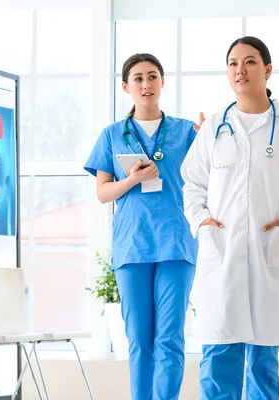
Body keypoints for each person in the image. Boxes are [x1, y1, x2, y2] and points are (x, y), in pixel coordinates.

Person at [180, 36, 279, 400]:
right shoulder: (215, 126)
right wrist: (200, 222)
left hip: (268, 254)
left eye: (249, 61)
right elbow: (192, 184)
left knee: (263, 365)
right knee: (218, 360)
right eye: (232, 63)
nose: (240, 69)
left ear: (267, 69)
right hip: (223, 256)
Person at [84, 53, 199, 400]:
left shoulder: (186, 132)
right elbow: (104, 193)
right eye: (138, 78)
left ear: (163, 82)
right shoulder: (112, 135)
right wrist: (131, 180)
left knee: (170, 337)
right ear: (125, 86)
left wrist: (212, 137)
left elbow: (212, 178)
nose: (146, 84)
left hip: (176, 244)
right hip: (132, 246)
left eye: (152, 77)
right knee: (139, 338)